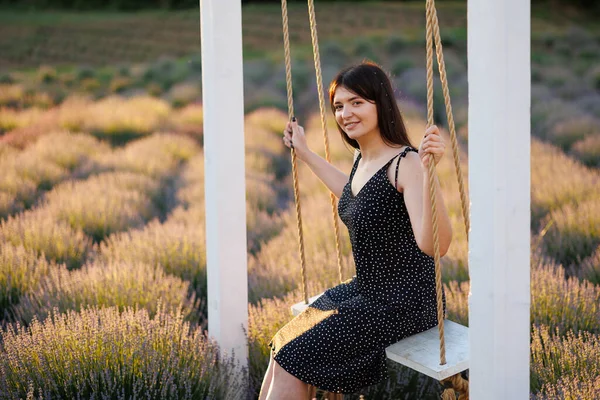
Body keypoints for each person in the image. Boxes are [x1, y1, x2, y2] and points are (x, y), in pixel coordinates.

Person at [259, 61, 453, 400]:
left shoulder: (405, 163)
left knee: (294, 360)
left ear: (381, 104)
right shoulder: (362, 161)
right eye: (338, 106)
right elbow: (353, 195)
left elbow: (434, 245)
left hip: (406, 300)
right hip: (368, 288)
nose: (345, 113)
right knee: (282, 346)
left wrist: (430, 174)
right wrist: (305, 154)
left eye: (357, 103)